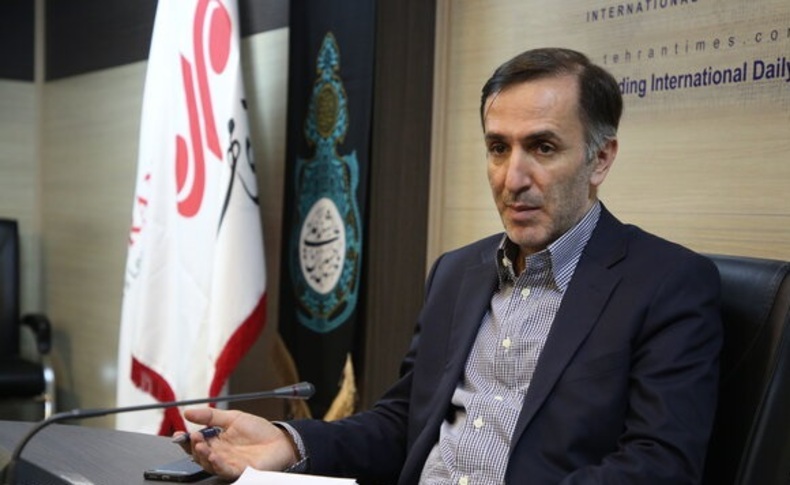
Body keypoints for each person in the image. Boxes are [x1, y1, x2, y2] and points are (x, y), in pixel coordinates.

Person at [177, 47, 723, 484]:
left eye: (542, 147)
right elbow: (404, 424)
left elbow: (659, 466)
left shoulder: (666, 283)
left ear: (600, 159)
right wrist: (290, 443)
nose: (513, 179)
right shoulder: (456, 273)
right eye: (498, 148)